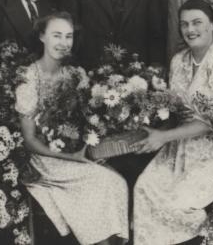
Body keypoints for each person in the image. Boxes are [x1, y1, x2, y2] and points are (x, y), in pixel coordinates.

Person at [132, 0, 213, 245]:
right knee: (144, 189)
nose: (190, 30)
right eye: (184, 25)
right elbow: (176, 108)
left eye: (197, 23)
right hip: (178, 147)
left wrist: (162, 137)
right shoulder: (178, 60)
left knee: (180, 203)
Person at [16, 13, 129, 245]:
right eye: (56, 35)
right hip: (45, 158)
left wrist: (85, 147)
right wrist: (69, 156)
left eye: (68, 37)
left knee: (116, 182)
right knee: (101, 182)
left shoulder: (74, 74)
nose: (63, 43)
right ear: (41, 37)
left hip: (74, 151)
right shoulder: (29, 78)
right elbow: (29, 139)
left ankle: (107, 241)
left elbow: (87, 119)